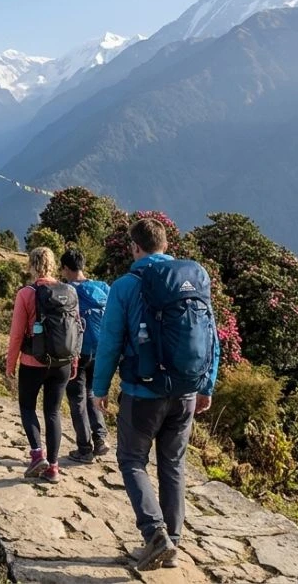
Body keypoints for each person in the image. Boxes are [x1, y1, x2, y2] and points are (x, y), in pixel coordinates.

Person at [92, 217, 220, 571]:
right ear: (165, 245)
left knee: (132, 460)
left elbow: (110, 342)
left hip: (142, 392)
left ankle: (154, 534)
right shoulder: (194, 279)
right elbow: (212, 336)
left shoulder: (125, 286)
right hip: (186, 392)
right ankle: (172, 542)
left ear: (135, 247)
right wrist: (206, 385)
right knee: (173, 464)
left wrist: (99, 389)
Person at [6, 247, 82, 483]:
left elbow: (17, 334)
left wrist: (10, 364)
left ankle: (38, 455)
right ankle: (54, 468)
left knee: (27, 407)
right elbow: (77, 329)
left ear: (31, 265)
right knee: (53, 412)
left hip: (33, 361)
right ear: (53, 265)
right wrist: (74, 360)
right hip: (62, 363)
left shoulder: (26, 293)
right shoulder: (70, 291)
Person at [60, 248, 112, 463]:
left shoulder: (67, 290)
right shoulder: (103, 288)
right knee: (92, 393)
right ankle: (100, 439)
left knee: (77, 399)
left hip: (77, 353)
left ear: (65, 268)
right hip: (101, 352)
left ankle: (84, 449)